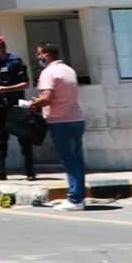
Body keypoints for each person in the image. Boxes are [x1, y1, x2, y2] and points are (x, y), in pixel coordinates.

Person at [27, 41, 87, 211]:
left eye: (39, 54)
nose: (37, 57)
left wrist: (34, 104)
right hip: (76, 119)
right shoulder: (68, 70)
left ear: (46, 55)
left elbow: (47, 97)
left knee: (69, 160)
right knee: (77, 159)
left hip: (60, 121)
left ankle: (75, 199)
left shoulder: (48, 72)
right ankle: (79, 196)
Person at [0, 35, 35, 181]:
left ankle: (30, 171)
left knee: (23, 138)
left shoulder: (15, 62)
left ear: (1, 48)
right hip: (1, 105)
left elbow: (25, 84)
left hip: (16, 105)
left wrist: (6, 89)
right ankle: (0, 170)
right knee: (0, 138)